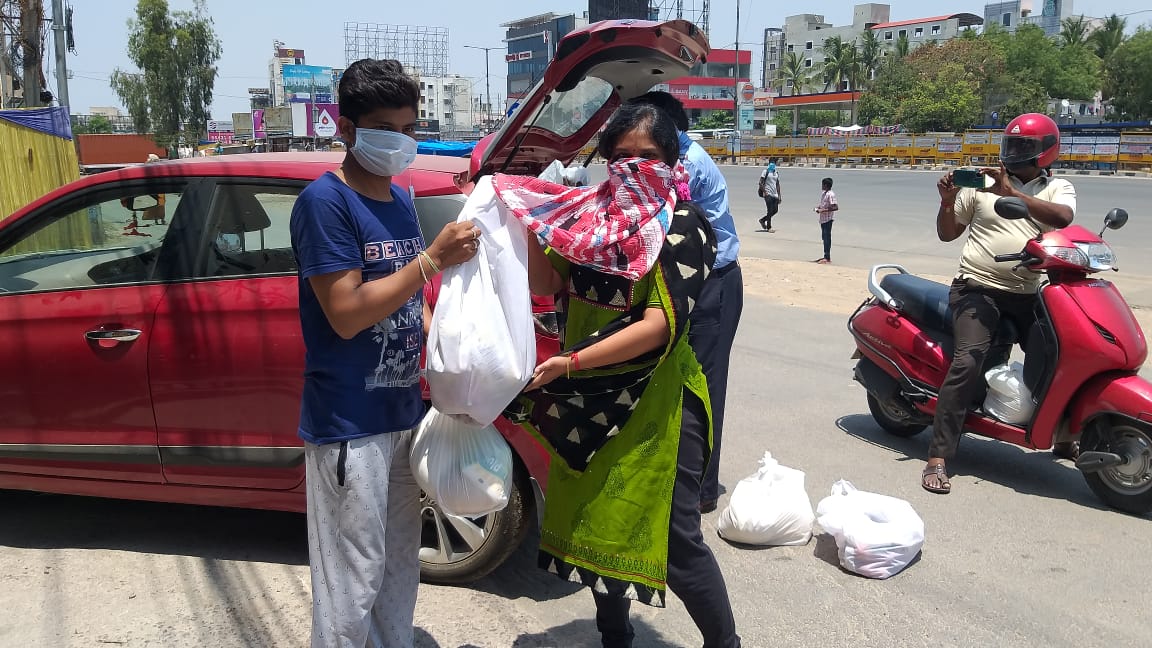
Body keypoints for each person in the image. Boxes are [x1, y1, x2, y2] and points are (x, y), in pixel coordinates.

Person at [499, 102, 740, 648]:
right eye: (622, 156)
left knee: (676, 540)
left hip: (659, 403)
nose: (633, 166)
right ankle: (614, 636)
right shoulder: (590, 220)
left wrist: (571, 361)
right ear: (606, 161)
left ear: (673, 162)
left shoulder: (684, 228)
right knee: (599, 518)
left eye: (647, 156)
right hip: (590, 398)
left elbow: (659, 326)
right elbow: (546, 280)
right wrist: (533, 220)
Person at [288, 58, 479, 648]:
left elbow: (407, 303)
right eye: (383, 128)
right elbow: (345, 313)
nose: (398, 141)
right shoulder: (325, 204)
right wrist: (431, 261)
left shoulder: (398, 201)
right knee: (352, 577)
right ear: (344, 128)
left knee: (399, 568)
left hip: (401, 419)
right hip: (350, 426)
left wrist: (448, 363)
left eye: (407, 126)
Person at [924, 113, 1075, 494]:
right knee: (968, 360)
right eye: (1012, 145)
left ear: (1045, 152)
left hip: (1030, 292)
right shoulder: (981, 186)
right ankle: (938, 456)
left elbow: (1063, 219)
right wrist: (946, 202)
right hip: (978, 288)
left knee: (1065, 353)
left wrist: (1013, 195)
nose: (1014, 154)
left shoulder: (1058, 189)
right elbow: (947, 234)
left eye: (1024, 147)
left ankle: (1064, 436)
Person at [630, 90, 743, 515]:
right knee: (679, 384)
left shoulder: (685, 164)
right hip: (695, 280)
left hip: (714, 284)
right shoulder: (677, 155)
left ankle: (701, 491)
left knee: (704, 390)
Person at [813, 177, 838, 264]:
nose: (821, 186)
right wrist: (818, 208)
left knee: (827, 238)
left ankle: (827, 257)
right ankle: (825, 256)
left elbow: (835, 207)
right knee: (824, 238)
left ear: (826, 185)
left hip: (828, 220)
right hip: (823, 220)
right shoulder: (824, 193)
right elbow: (823, 204)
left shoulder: (831, 194)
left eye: (823, 184)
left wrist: (823, 210)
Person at [758, 161, 781, 232]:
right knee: (770, 210)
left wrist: (779, 195)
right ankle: (769, 227)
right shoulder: (765, 172)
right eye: (771, 163)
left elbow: (777, 184)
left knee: (775, 210)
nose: (773, 165)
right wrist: (765, 192)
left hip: (775, 194)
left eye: (774, 163)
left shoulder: (776, 173)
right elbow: (760, 182)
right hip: (768, 194)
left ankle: (762, 220)